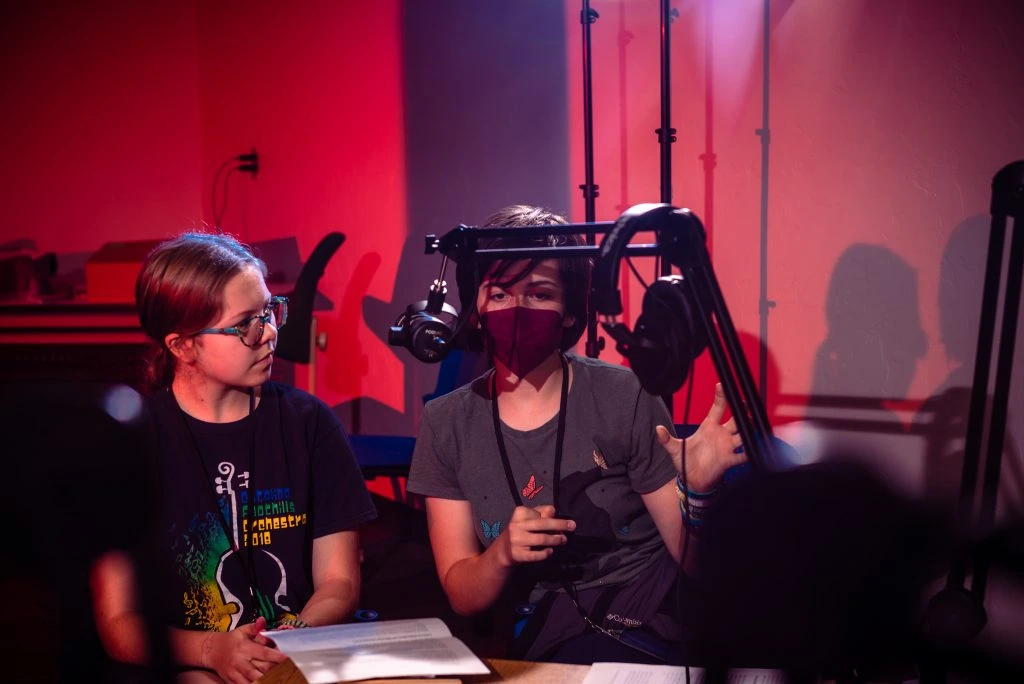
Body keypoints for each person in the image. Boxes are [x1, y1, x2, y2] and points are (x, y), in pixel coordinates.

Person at [406, 205, 745, 663]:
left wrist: (699, 493)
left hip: (656, 608)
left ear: (569, 312)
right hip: (555, 625)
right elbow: (463, 595)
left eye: (540, 294)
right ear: (476, 309)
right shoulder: (446, 422)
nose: (519, 309)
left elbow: (696, 565)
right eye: (500, 294)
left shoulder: (624, 392)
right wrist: (501, 553)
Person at [91, 232, 377, 683]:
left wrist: (288, 638)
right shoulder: (130, 443)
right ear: (183, 346)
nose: (268, 333)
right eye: (245, 323)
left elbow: (339, 583)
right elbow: (117, 623)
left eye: (270, 311)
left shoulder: (310, 424)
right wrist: (211, 650)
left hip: (292, 658)